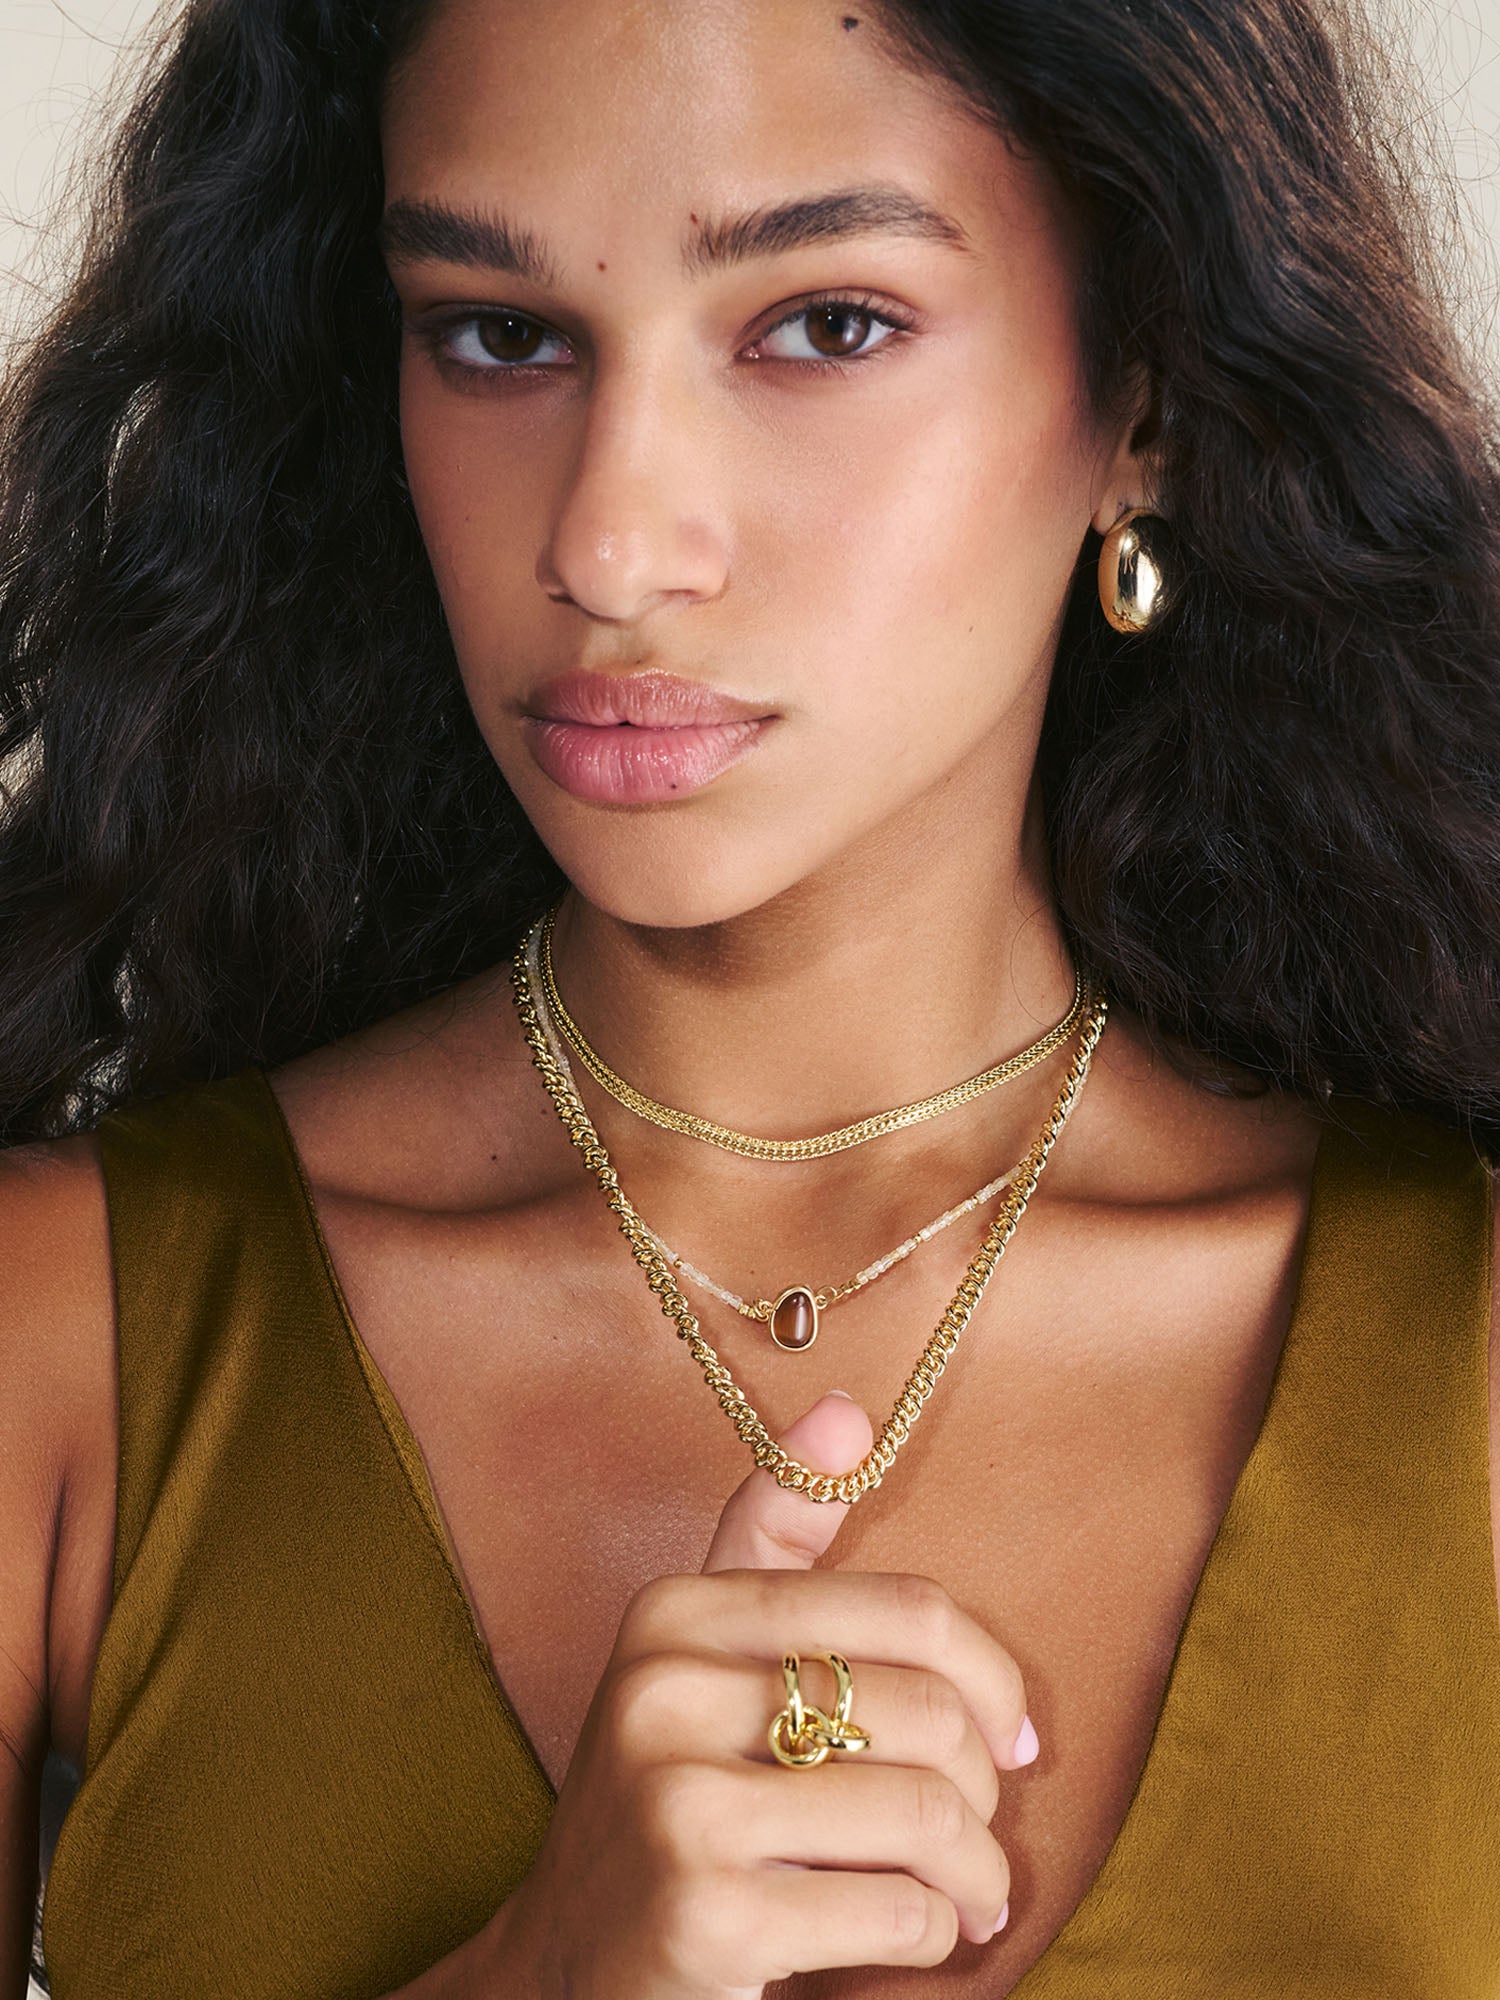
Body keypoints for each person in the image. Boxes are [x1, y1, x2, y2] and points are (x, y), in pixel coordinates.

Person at [1, 0, 1497, 1993]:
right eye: (500, 336)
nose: (611, 547)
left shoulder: (1468, 1372)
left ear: (1143, 396)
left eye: (824, 325)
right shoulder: (59, 1351)